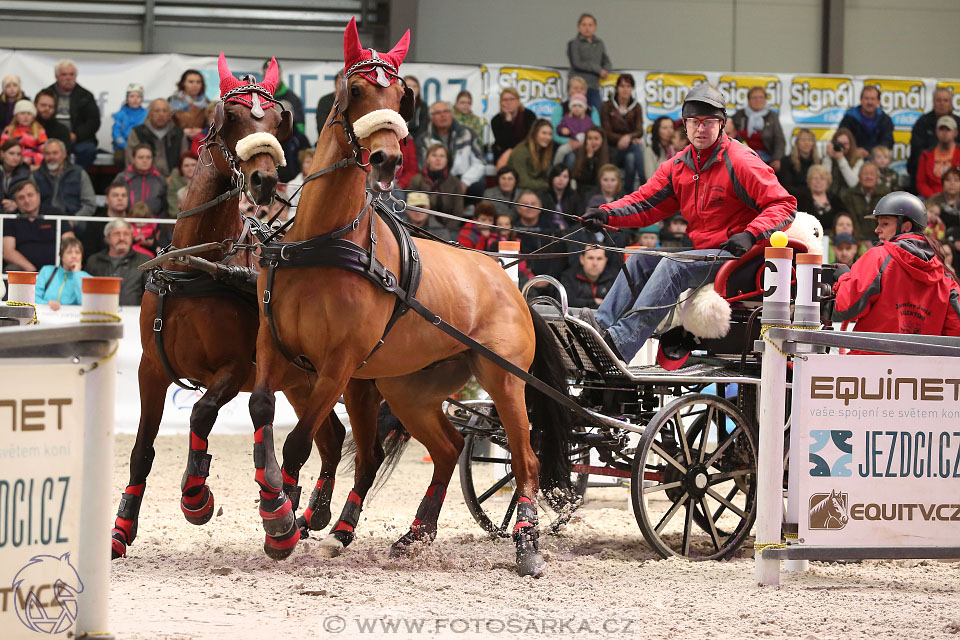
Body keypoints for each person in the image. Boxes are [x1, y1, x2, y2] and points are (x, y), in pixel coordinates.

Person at [580, 84, 796, 368]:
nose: (701, 128)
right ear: (685, 125)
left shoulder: (740, 161)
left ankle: (620, 344)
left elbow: (785, 205)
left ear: (722, 124)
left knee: (673, 266)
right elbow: (644, 203)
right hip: (706, 255)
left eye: (709, 122)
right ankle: (599, 327)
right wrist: (606, 214)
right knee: (641, 258)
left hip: (742, 258)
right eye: (694, 122)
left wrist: (751, 233)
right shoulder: (679, 166)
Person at [833, 192, 960, 345]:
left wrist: (845, 278)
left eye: (885, 224)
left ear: (906, 227)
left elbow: (846, 308)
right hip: (922, 366)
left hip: (871, 361)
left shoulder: (877, 257)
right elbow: (955, 332)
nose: (877, 230)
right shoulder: (945, 276)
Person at [415, 100, 485, 194]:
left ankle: (470, 208)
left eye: (446, 111)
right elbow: (423, 166)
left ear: (452, 115)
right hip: (435, 179)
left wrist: (465, 182)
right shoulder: (423, 140)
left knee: (479, 184)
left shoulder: (468, 134)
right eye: (438, 113)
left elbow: (479, 163)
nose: (443, 115)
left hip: (463, 179)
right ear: (431, 118)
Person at [44, 59, 100, 169]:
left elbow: (93, 122)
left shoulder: (86, 96)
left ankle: (77, 178)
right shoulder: (47, 94)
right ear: (56, 76)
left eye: (71, 74)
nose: (68, 78)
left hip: (79, 139)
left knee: (88, 150)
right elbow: (41, 118)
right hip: (52, 137)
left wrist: (76, 135)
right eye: (64, 74)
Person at [3, 180, 70, 272]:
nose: (27, 200)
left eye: (30, 195)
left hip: (56, 270)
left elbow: (70, 241)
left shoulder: (55, 213)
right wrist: (32, 271)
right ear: (16, 202)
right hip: (25, 272)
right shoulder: (10, 219)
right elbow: (7, 251)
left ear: (38, 195)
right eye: (21, 198)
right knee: (12, 270)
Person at [84, 218, 150, 306]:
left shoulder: (144, 261)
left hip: (134, 316)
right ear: (107, 239)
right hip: (100, 314)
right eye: (117, 234)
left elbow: (151, 294)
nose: (122, 238)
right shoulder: (94, 260)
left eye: (126, 234)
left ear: (131, 237)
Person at [908, 88, 960, 191]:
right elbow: (916, 152)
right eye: (939, 100)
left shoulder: (959, 122)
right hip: (929, 184)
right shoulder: (922, 123)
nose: (942, 103)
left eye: (945, 100)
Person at [600, 73, 645, 192]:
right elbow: (606, 132)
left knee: (631, 157)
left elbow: (639, 130)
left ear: (632, 89)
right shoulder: (607, 106)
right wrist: (623, 139)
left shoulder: (636, 107)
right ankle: (644, 184)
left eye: (628, 86)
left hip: (629, 147)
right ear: (616, 88)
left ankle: (627, 193)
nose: (625, 90)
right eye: (622, 86)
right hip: (612, 149)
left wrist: (628, 138)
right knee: (636, 148)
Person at [407, 143, 465, 228]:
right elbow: (411, 207)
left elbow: (458, 212)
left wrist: (446, 231)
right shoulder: (417, 180)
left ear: (447, 160)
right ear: (427, 159)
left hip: (448, 229)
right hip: (422, 227)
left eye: (442, 156)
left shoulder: (455, 182)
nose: (438, 159)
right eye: (434, 155)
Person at [33, 139, 96, 218]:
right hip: (44, 219)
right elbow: (31, 204)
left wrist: (74, 221)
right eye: (47, 154)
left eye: (55, 153)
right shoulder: (35, 176)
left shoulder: (79, 173)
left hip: (73, 219)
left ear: (64, 154)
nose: (51, 157)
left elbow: (89, 204)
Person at [125, 99, 188, 177]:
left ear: (169, 115)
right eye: (157, 111)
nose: (161, 114)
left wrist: (174, 178)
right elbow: (130, 161)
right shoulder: (137, 133)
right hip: (144, 179)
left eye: (164, 111)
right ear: (150, 114)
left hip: (173, 181)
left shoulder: (179, 133)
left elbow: (185, 161)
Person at [731, 86, 786, 170]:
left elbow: (779, 140)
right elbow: (732, 135)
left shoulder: (772, 116)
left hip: (767, 159)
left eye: (761, 97)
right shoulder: (739, 115)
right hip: (743, 156)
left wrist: (777, 158)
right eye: (754, 97)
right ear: (748, 100)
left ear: (765, 100)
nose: (758, 100)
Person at [566, 13, 610, 112]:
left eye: (590, 25)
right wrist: (598, 70)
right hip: (578, 87)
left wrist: (606, 70)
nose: (587, 28)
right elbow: (576, 63)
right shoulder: (573, 44)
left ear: (595, 27)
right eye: (584, 25)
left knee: (597, 113)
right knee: (577, 112)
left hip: (594, 86)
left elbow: (606, 61)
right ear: (578, 27)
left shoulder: (599, 43)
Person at [550, 76, 601, 158]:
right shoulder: (561, 108)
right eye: (575, 88)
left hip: (587, 145)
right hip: (565, 144)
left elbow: (598, 131)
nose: (579, 91)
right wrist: (569, 141)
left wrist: (586, 143)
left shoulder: (592, 110)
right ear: (569, 91)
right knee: (571, 157)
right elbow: (554, 132)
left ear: (585, 92)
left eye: (582, 88)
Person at [837, 85, 894, 158]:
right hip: (853, 158)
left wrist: (870, 152)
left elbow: (888, 142)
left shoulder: (885, 119)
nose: (869, 102)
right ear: (861, 100)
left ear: (878, 101)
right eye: (866, 98)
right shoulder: (849, 118)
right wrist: (855, 151)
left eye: (873, 99)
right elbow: (841, 139)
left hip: (876, 159)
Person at [35, 237, 89, 310]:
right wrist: (47, 303)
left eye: (77, 252)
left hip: (72, 319)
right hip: (45, 318)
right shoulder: (46, 271)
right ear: (61, 255)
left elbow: (85, 303)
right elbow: (33, 298)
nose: (74, 256)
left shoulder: (87, 278)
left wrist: (76, 274)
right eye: (69, 252)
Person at [841, 162, 889, 242]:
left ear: (877, 178)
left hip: (880, 239)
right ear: (859, 177)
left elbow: (886, 220)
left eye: (872, 174)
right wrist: (861, 240)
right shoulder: (849, 195)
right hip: (856, 240)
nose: (868, 177)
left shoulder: (886, 195)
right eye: (865, 174)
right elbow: (852, 219)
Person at [490, 88, 536, 168]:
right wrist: (508, 121)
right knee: (507, 153)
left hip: (525, 151)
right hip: (504, 153)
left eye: (511, 99)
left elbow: (530, 139)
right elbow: (504, 144)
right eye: (505, 100)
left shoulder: (529, 116)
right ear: (501, 103)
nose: (508, 102)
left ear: (518, 102)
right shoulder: (496, 120)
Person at [80, 180, 129, 257]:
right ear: (107, 199)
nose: (120, 198)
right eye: (115, 195)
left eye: (123, 195)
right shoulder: (95, 223)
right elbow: (89, 253)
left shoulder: (135, 220)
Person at [119, 143, 168, 218]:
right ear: (133, 159)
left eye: (148, 157)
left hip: (155, 223)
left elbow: (166, 207)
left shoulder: (160, 179)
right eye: (141, 157)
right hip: (127, 222)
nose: (145, 160)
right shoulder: (122, 178)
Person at [916, 116, 960, 199]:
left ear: (955, 133)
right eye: (941, 129)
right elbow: (921, 183)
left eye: (948, 129)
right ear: (936, 132)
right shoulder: (926, 155)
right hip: (931, 198)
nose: (944, 133)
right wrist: (934, 198)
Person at [507, 119, 555, 193]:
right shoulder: (521, 152)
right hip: (519, 192)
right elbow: (523, 182)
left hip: (537, 190)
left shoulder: (544, 151)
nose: (548, 137)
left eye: (550, 134)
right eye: (544, 133)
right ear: (534, 133)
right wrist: (547, 185)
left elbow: (544, 178)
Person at [796, 164, 845, 231]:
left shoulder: (836, 200)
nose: (818, 181)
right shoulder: (801, 200)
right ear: (809, 181)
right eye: (815, 178)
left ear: (828, 182)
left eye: (822, 178)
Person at [0, 100, 47, 169]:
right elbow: (2, 148)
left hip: (31, 166)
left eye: (29, 114)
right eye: (22, 113)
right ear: (16, 116)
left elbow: (45, 152)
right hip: (11, 164)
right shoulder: (9, 130)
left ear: (33, 117)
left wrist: (31, 159)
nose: (26, 116)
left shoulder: (39, 132)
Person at [264, 59, 305, 137]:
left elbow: (300, 128)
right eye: (269, 75)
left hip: (287, 142)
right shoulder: (257, 98)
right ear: (263, 76)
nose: (273, 79)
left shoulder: (293, 98)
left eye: (276, 75)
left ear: (281, 74)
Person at [776, 128, 820, 199]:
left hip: (814, 198)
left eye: (809, 140)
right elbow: (786, 186)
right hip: (794, 199)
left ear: (813, 144)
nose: (806, 143)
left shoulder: (818, 162)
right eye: (803, 140)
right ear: (797, 143)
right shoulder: (786, 161)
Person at [111, 83, 147, 166]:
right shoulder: (120, 115)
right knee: (120, 158)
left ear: (142, 99)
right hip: (123, 147)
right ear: (127, 99)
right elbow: (116, 133)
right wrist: (125, 145)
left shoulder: (147, 115)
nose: (135, 99)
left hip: (142, 146)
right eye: (132, 96)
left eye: (138, 96)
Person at [554, 93, 594, 167]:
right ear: (570, 107)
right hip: (571, 143)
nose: (577, 108)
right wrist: (562, 130)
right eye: (574, 106)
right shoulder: (567, 118)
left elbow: (593, 131)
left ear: (584, 108)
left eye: (580, 106)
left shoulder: (588, 120)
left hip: (584, 144)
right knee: (561, 150)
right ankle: (556, 168)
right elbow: (559, 128)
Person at [167, 69, 209, 139]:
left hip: (201, 141)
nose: (195, 85)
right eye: (191, 82)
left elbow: (212, 125)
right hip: (176, 140)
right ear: (183, 83)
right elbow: (165, 124)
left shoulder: (207, 103)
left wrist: (202, 131)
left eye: (198, 82)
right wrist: (181, 131)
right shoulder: (172, 101)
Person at [822, 127, 863, 195]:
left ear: (851, 144)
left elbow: (852, 183)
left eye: (845, 144)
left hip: (850, 198)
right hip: (831, 196)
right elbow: (823, 181)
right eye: (839, 144)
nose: (842, 147)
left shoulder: (858, 160)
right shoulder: (828, 158)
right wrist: (828, 157)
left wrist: (841, 159)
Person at [573, 127, 610, 195]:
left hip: (601, 192)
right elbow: (582, 180)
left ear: (602, 140)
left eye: (596, 139)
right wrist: (589, 157)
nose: (593, 142)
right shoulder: (579, 153)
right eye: (589, 138)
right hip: (583, 191)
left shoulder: (610, 155)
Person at [0, 139, 31, 211]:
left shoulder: (26, 174)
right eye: (11, 153)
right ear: (2, 153)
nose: (15, 158)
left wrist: (16, 205)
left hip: (18, 215)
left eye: (18, 154)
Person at [166, 151, 198, 215]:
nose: (190, 168)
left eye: (193, 165)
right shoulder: (174, 182)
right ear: (181, 168)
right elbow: (173, 204)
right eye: (186, 166)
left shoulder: (206, 181)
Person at [402, 75, 430, 139]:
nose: (411, 89)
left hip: (416, 140)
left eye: (414, 86)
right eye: (408, 85)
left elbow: (423, 129)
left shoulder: (423, 106)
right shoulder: (395, 104)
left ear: (419, 89)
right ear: (401, 87)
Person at [315, 70, 343, 136]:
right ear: (335, 84)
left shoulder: (354, 102)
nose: (343, 87)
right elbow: (322, 127)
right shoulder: (324, 101)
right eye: (340, 83)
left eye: (345, 84)